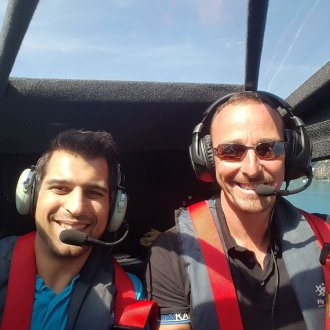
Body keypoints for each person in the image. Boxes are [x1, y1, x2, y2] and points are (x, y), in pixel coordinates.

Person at [145, 91, 330, 330]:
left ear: (291, 154)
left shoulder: (326, 236)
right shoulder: (172, 253)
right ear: (208, 159)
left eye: (268, 148)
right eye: (231, 150)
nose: (252, 169)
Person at [0, 129, 156, 329]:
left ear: (115, 207)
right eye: (60, 188)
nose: (76, 208)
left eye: (93, 193)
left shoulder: (128, 296)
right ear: (31, 195)